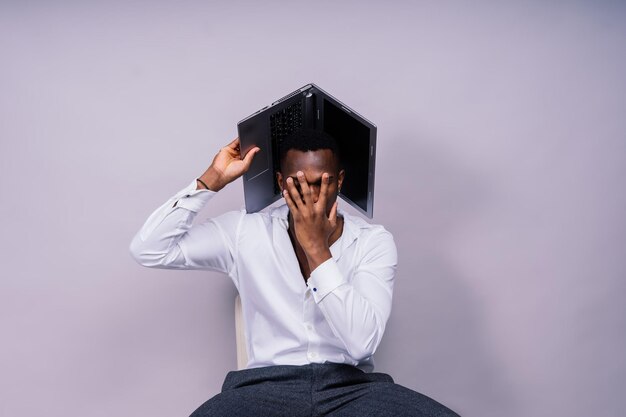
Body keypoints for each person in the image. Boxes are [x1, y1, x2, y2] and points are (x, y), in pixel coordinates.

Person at [129, 129, 459, 416]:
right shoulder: (246, 230)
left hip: (351, 389)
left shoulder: (373, 241)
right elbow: (149, 248)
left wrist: (317, 250)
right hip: (264, 390)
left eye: (320, 183)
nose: (310, 196)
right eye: (296, 185)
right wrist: (211, 180)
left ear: (339, 181)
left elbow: (361, 345)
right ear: (279, 183)